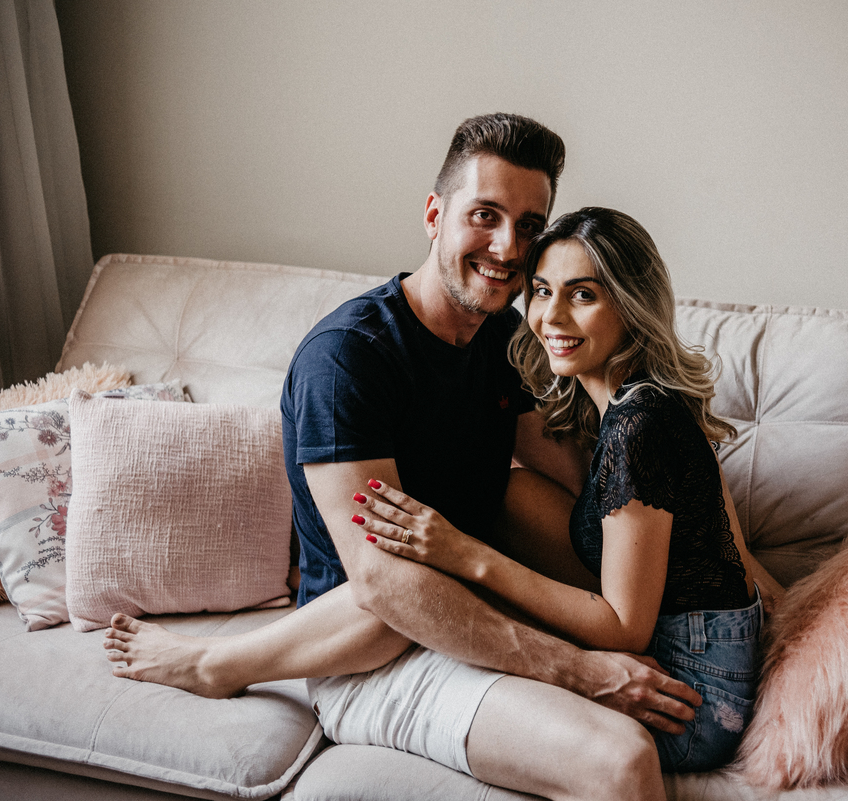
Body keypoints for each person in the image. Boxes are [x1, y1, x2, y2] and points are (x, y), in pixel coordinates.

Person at [102, 114, 699, 801]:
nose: (508, 247)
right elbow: (383, 585)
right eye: (485, 215)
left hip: (473, 610)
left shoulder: (502, 335)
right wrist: (580, 668)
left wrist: (747, 588)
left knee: (525, 503)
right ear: (434, 216)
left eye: (529, 226)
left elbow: (594, 481)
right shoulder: (347, 359)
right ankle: (217, 665)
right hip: (370, 648)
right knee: (620, 762)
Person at [357, 206, 786, 774]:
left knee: (448, 640)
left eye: (582, 295)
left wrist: (467, 555)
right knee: (489, 534)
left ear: (630, 305)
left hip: (691, 702)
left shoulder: (639, 425)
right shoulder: (641, 401)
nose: (551, 317)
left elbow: (625, 628)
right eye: (541, 291)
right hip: (699, 661)